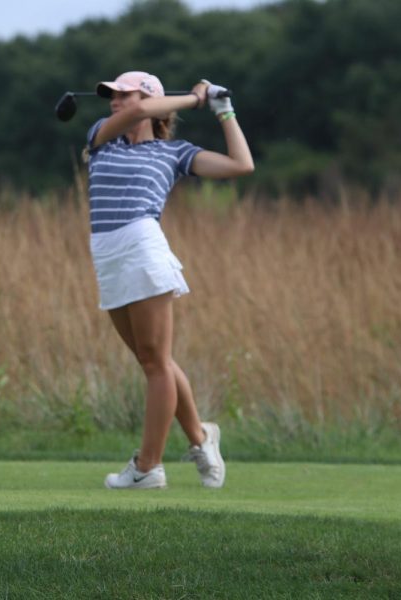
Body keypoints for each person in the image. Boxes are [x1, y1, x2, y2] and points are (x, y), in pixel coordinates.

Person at [85, 71, 254, 489]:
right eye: (113, 95)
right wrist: (195, 98)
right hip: (106, 253)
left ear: (151, 100)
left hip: (142, 246)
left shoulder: (175, 153)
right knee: (153, 361)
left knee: (155, 363)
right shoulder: (101, 138)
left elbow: (241, 165)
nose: (116, 102)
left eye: (125, 95)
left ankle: (147, 468)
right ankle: (201, 437)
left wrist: (222, 110)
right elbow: (141, 110)